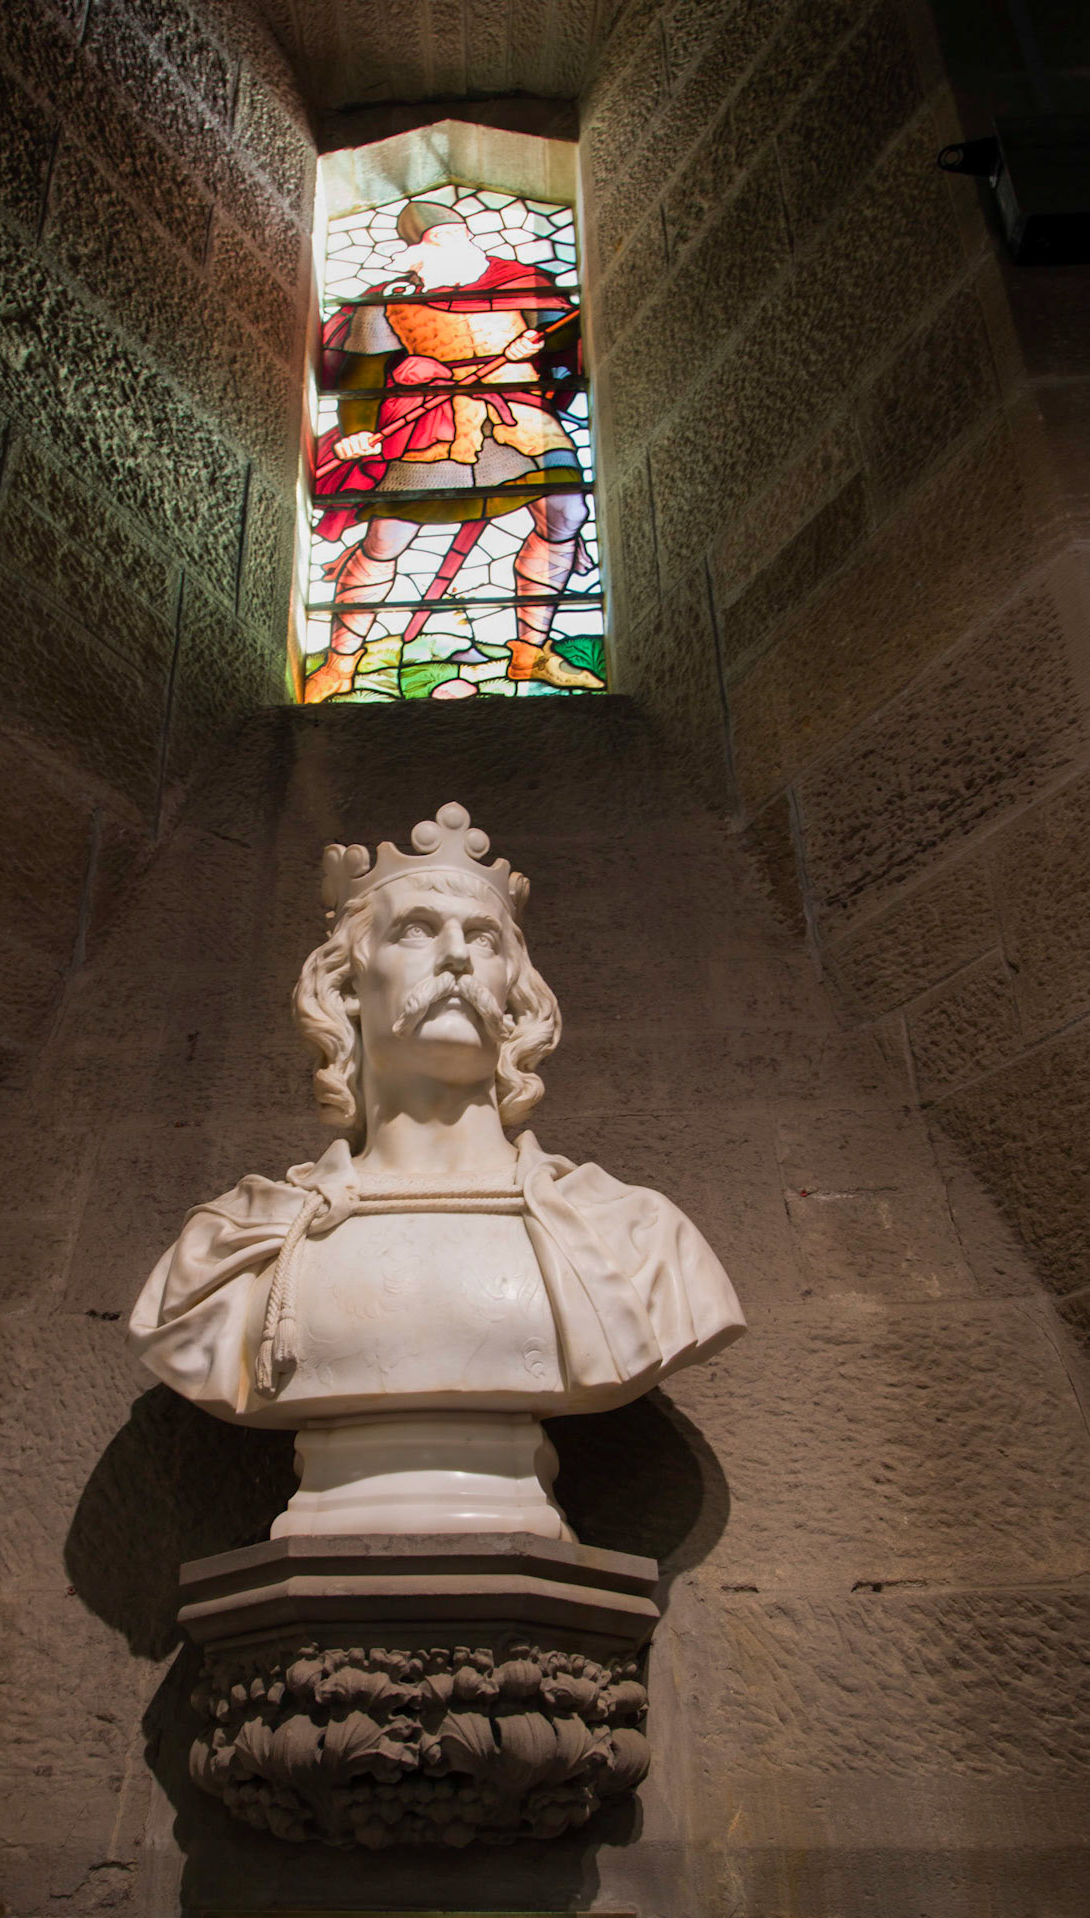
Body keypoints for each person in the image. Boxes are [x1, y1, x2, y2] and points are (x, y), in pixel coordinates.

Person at [130, 805, 744, 1539]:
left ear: (514, 996)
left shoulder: (636, 1238)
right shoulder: (239, 1246)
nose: (456, 956)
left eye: (483, 938)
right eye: (417, 930)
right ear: (345, 986)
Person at [303, 199, 604, 703]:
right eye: (427, 245)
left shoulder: (521, 281)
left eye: (445, 238)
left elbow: (570, 327)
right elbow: (363, 373)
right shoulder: (389, 302)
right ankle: (340, 666)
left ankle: (531, 652)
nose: (439, 249)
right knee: (385, 539)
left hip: (518, 413)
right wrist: (357, 429)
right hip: (434, 423)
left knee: (566, 513)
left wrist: (538, 340)